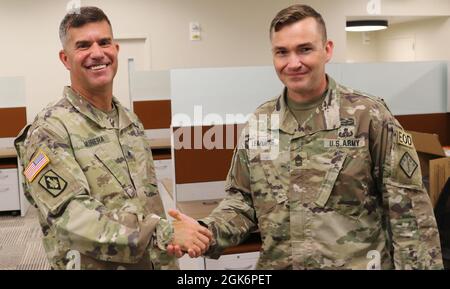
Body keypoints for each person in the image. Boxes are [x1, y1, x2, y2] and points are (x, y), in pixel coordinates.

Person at [168, 4, 444, 269]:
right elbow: (242, 201)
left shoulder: (368, 116)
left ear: (327, 49)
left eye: (304, 49)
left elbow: (410, 214)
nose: (293, 63)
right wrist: (207, 231)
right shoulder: (261, 122)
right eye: (282, 52)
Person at [14, 6, 211, 270]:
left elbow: (148, 204)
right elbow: (70, 217)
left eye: (104, 42)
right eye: (83, 46)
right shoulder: (48, 131)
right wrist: (163, 233)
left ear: (116, 50)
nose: (97, 53)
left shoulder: (129, 120)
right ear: (65, 58)